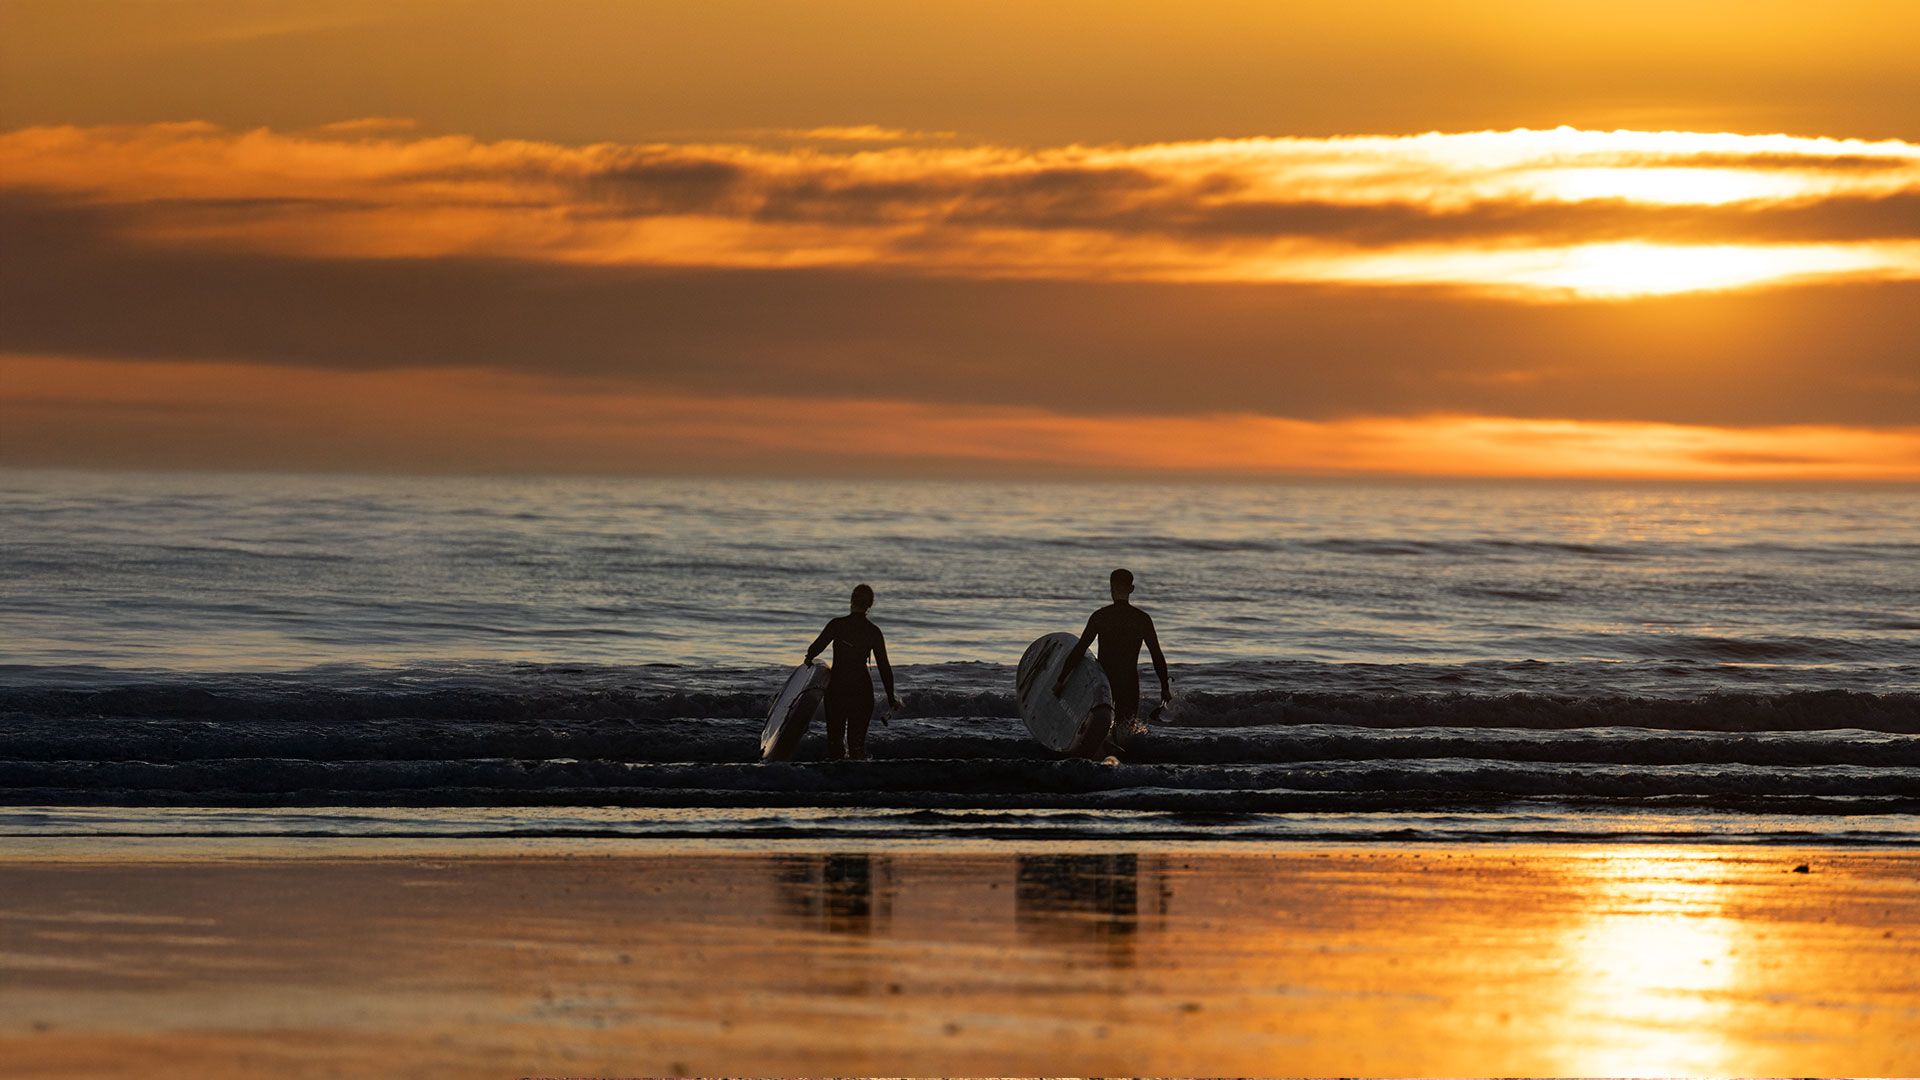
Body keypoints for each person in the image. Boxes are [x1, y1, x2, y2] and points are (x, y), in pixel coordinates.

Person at [1052, 568, 1170, 755]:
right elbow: (1157, 655)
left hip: (1104, 682)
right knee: (1126, 730)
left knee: (1096, 726)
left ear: (1111, 588)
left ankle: (1094, 757)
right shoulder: (1142, 619)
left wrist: (1061, 680)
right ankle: (1121, 766)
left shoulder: (1100, 616)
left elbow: (1080, 650)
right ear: (1131, 589)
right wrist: (1164, 686)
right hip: (1129, 681)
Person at [804, 583, 901, 760]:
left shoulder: (837, 625)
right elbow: (884, 668)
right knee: (857, 747)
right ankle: (857, 782)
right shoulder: (873, 632)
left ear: (851, 601)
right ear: (870, 605)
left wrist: (808, 659)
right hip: (861, 690)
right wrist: (890, 697)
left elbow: (815, 648)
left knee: (835, 743)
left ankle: (837, 782)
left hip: (837, 689)